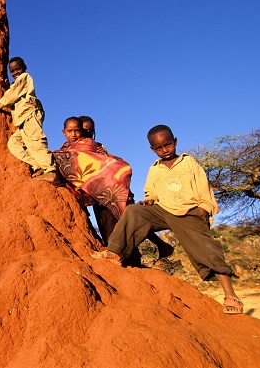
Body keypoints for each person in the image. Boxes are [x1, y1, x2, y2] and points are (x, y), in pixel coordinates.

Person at [91, 124, 243, 314]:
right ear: (152, 149)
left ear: (175, 142)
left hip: (188, 211)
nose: (164, 150)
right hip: (163, 210)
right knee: (134, 211)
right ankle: (114, 252)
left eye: (167, 145)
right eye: (159, 148)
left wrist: (205, 206)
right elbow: (151, 191)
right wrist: (149, 200)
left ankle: (230, 295)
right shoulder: (154, 169)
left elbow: (203, 186)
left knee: (206, 249)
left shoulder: (189, 163)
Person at [57, 117, 173, 263]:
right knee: (114, 225)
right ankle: (152, 248)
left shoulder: (96, 147)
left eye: (89, 131)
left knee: (128, 220)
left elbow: (109, 167)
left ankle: (136, 253)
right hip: (99, 195)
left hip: (113, 192)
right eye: (83, 130)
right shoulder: (68, 147)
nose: (84, 133)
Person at [0, 57, 56, 182]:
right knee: (14, 143)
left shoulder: (25, 77)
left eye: (18, 69)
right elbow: (15, 91)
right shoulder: (17, 83)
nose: (15, 72)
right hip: (22, 121)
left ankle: (51, 170)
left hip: (30, 116)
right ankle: (37, 165)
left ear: (24, 68)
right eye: (12, 70)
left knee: (36, 141)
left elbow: (14, 94)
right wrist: (7, 86)